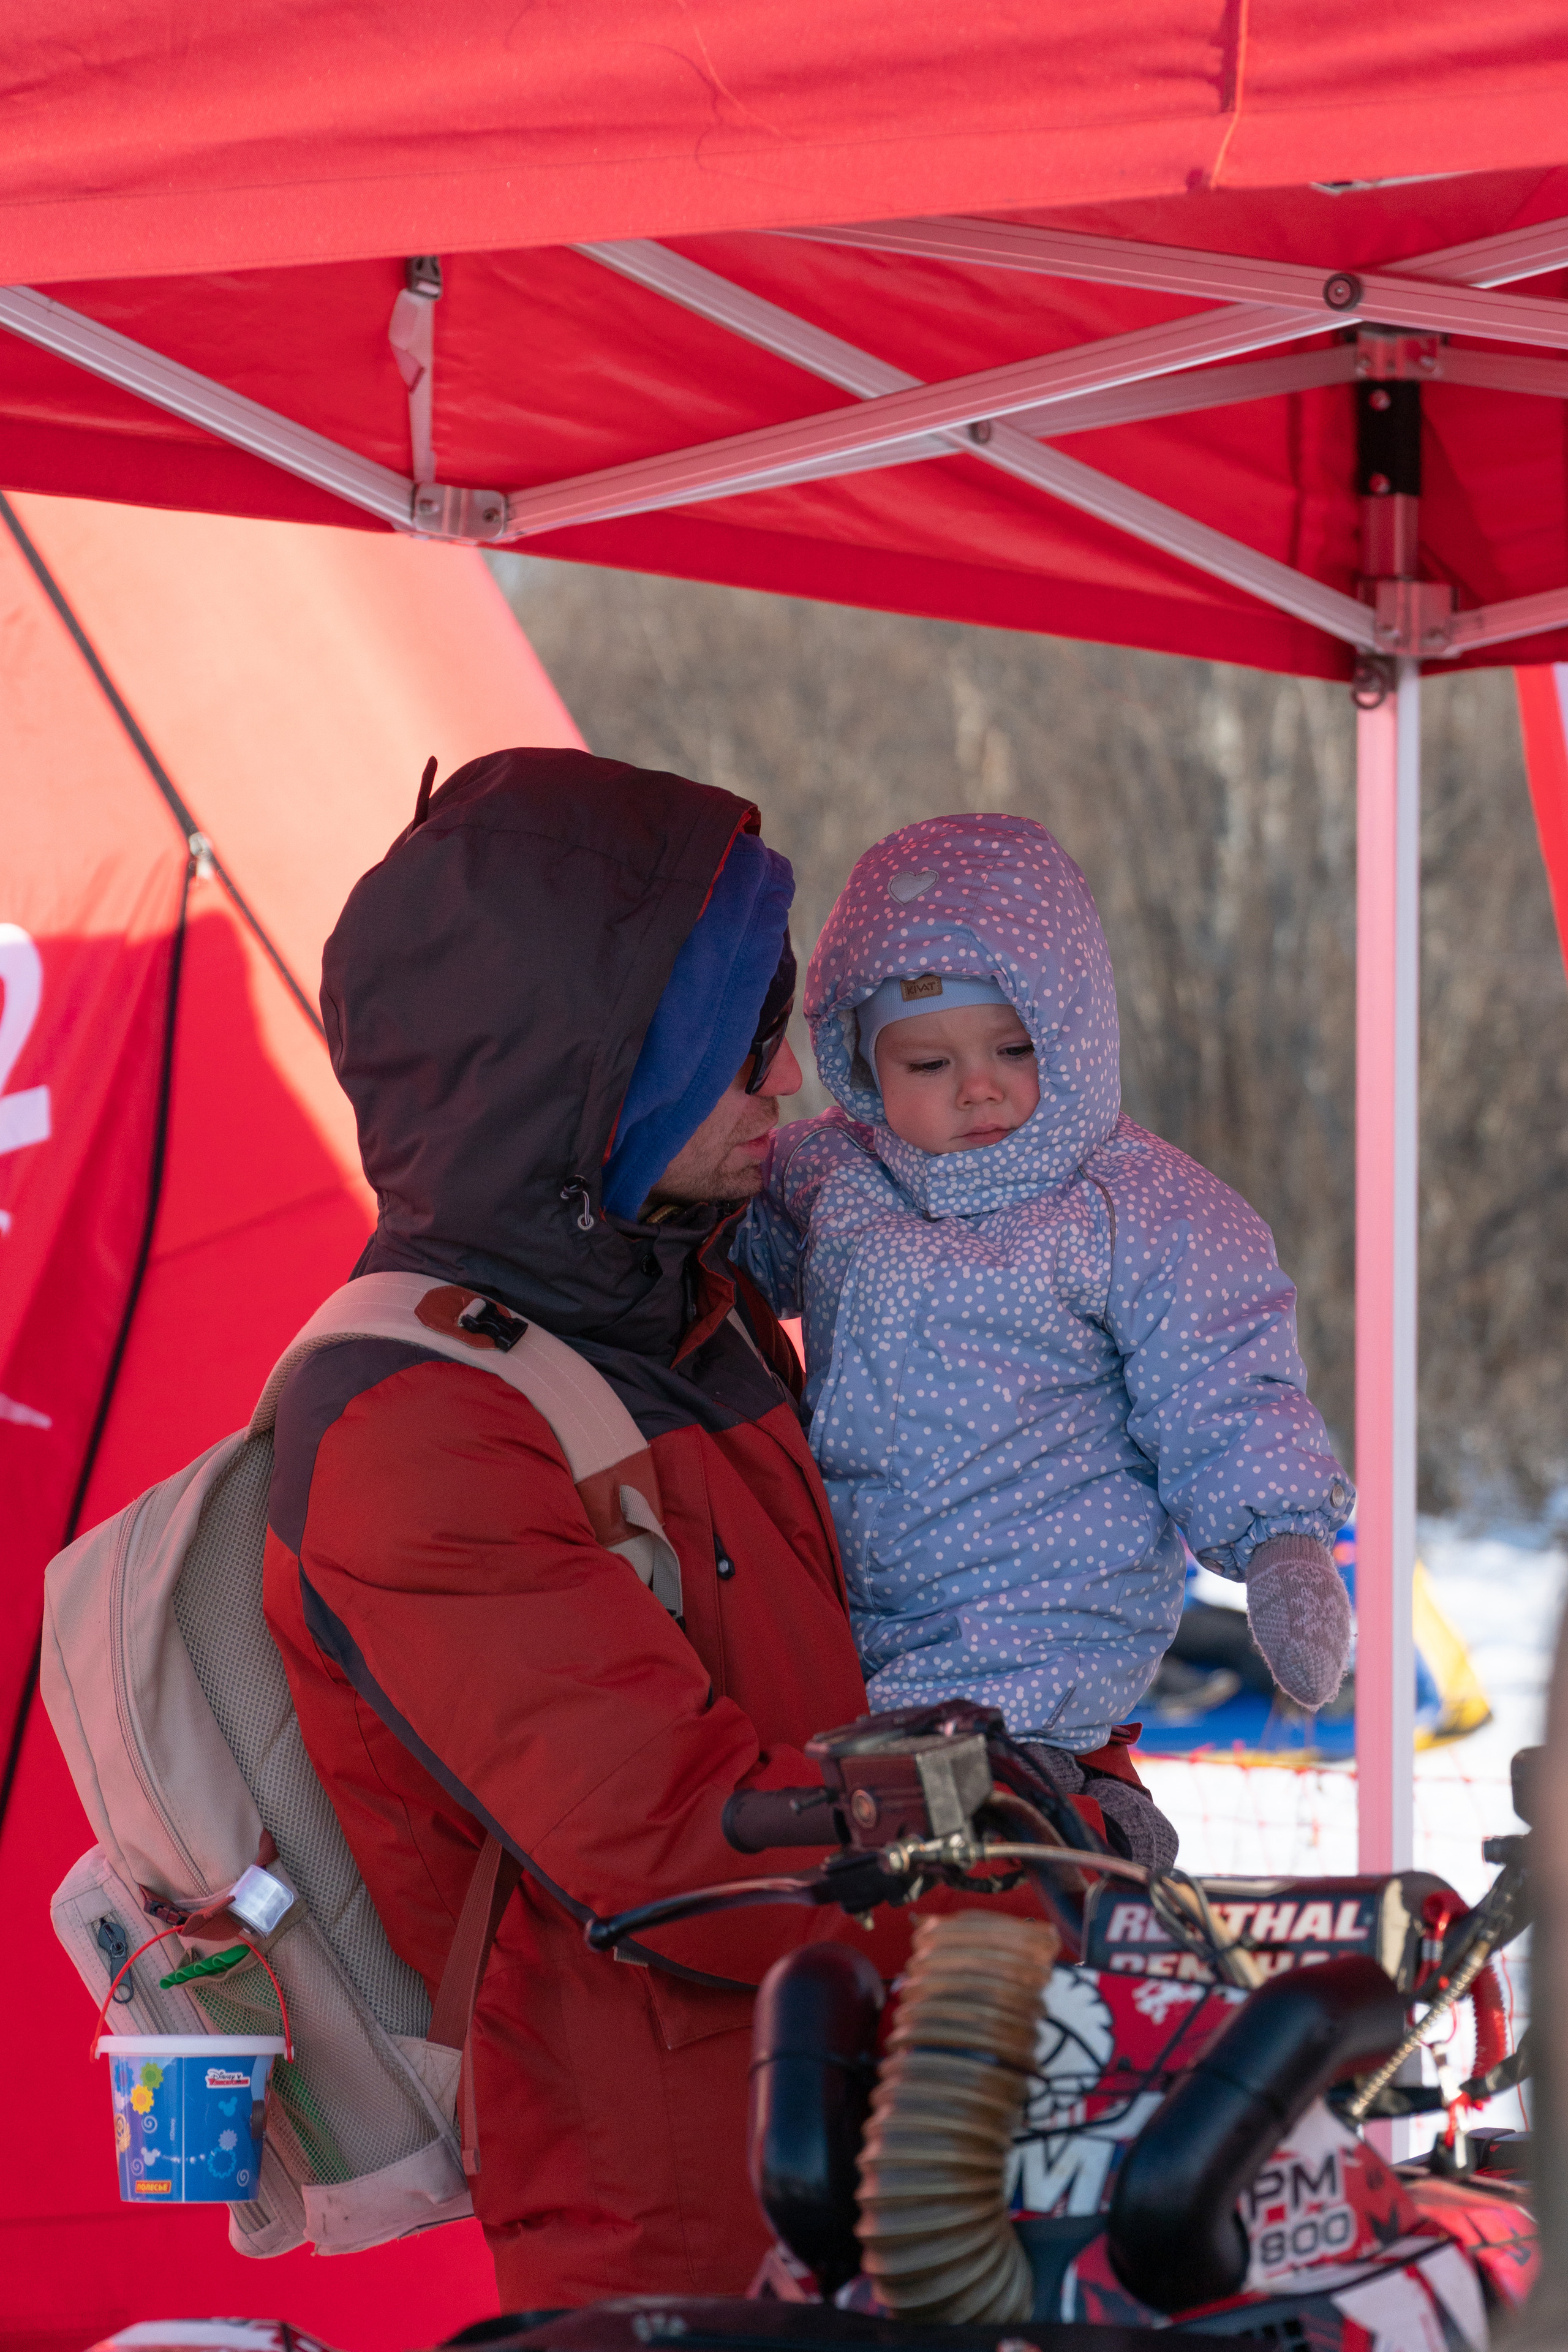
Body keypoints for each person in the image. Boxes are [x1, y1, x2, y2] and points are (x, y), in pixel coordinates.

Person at [262, 749, 960, 2311]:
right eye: (733, 1044)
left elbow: (890, 1648)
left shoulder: (696, 1314)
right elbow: (677, 1850)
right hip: (679, 2220)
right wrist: (1021, 1876)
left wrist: (1057, 1760)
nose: (778, 1091)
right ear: (587, 1069)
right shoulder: (409, 1418)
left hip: (899, 2128)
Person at [736, 813, 1355, 1864]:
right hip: (859, 1598)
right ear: (860, 1060)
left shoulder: (1135, 1206)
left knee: (1004, 1812)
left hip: (1046, 1606)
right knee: (871, 1837)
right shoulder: (833, 1175)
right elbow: (723, 1239)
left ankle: (1084, 1832)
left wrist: (1282, 1541)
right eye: (930, 1061)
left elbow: (1223, 1378)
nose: (978, 1086)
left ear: (1071, 1034)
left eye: (1014, 1049)